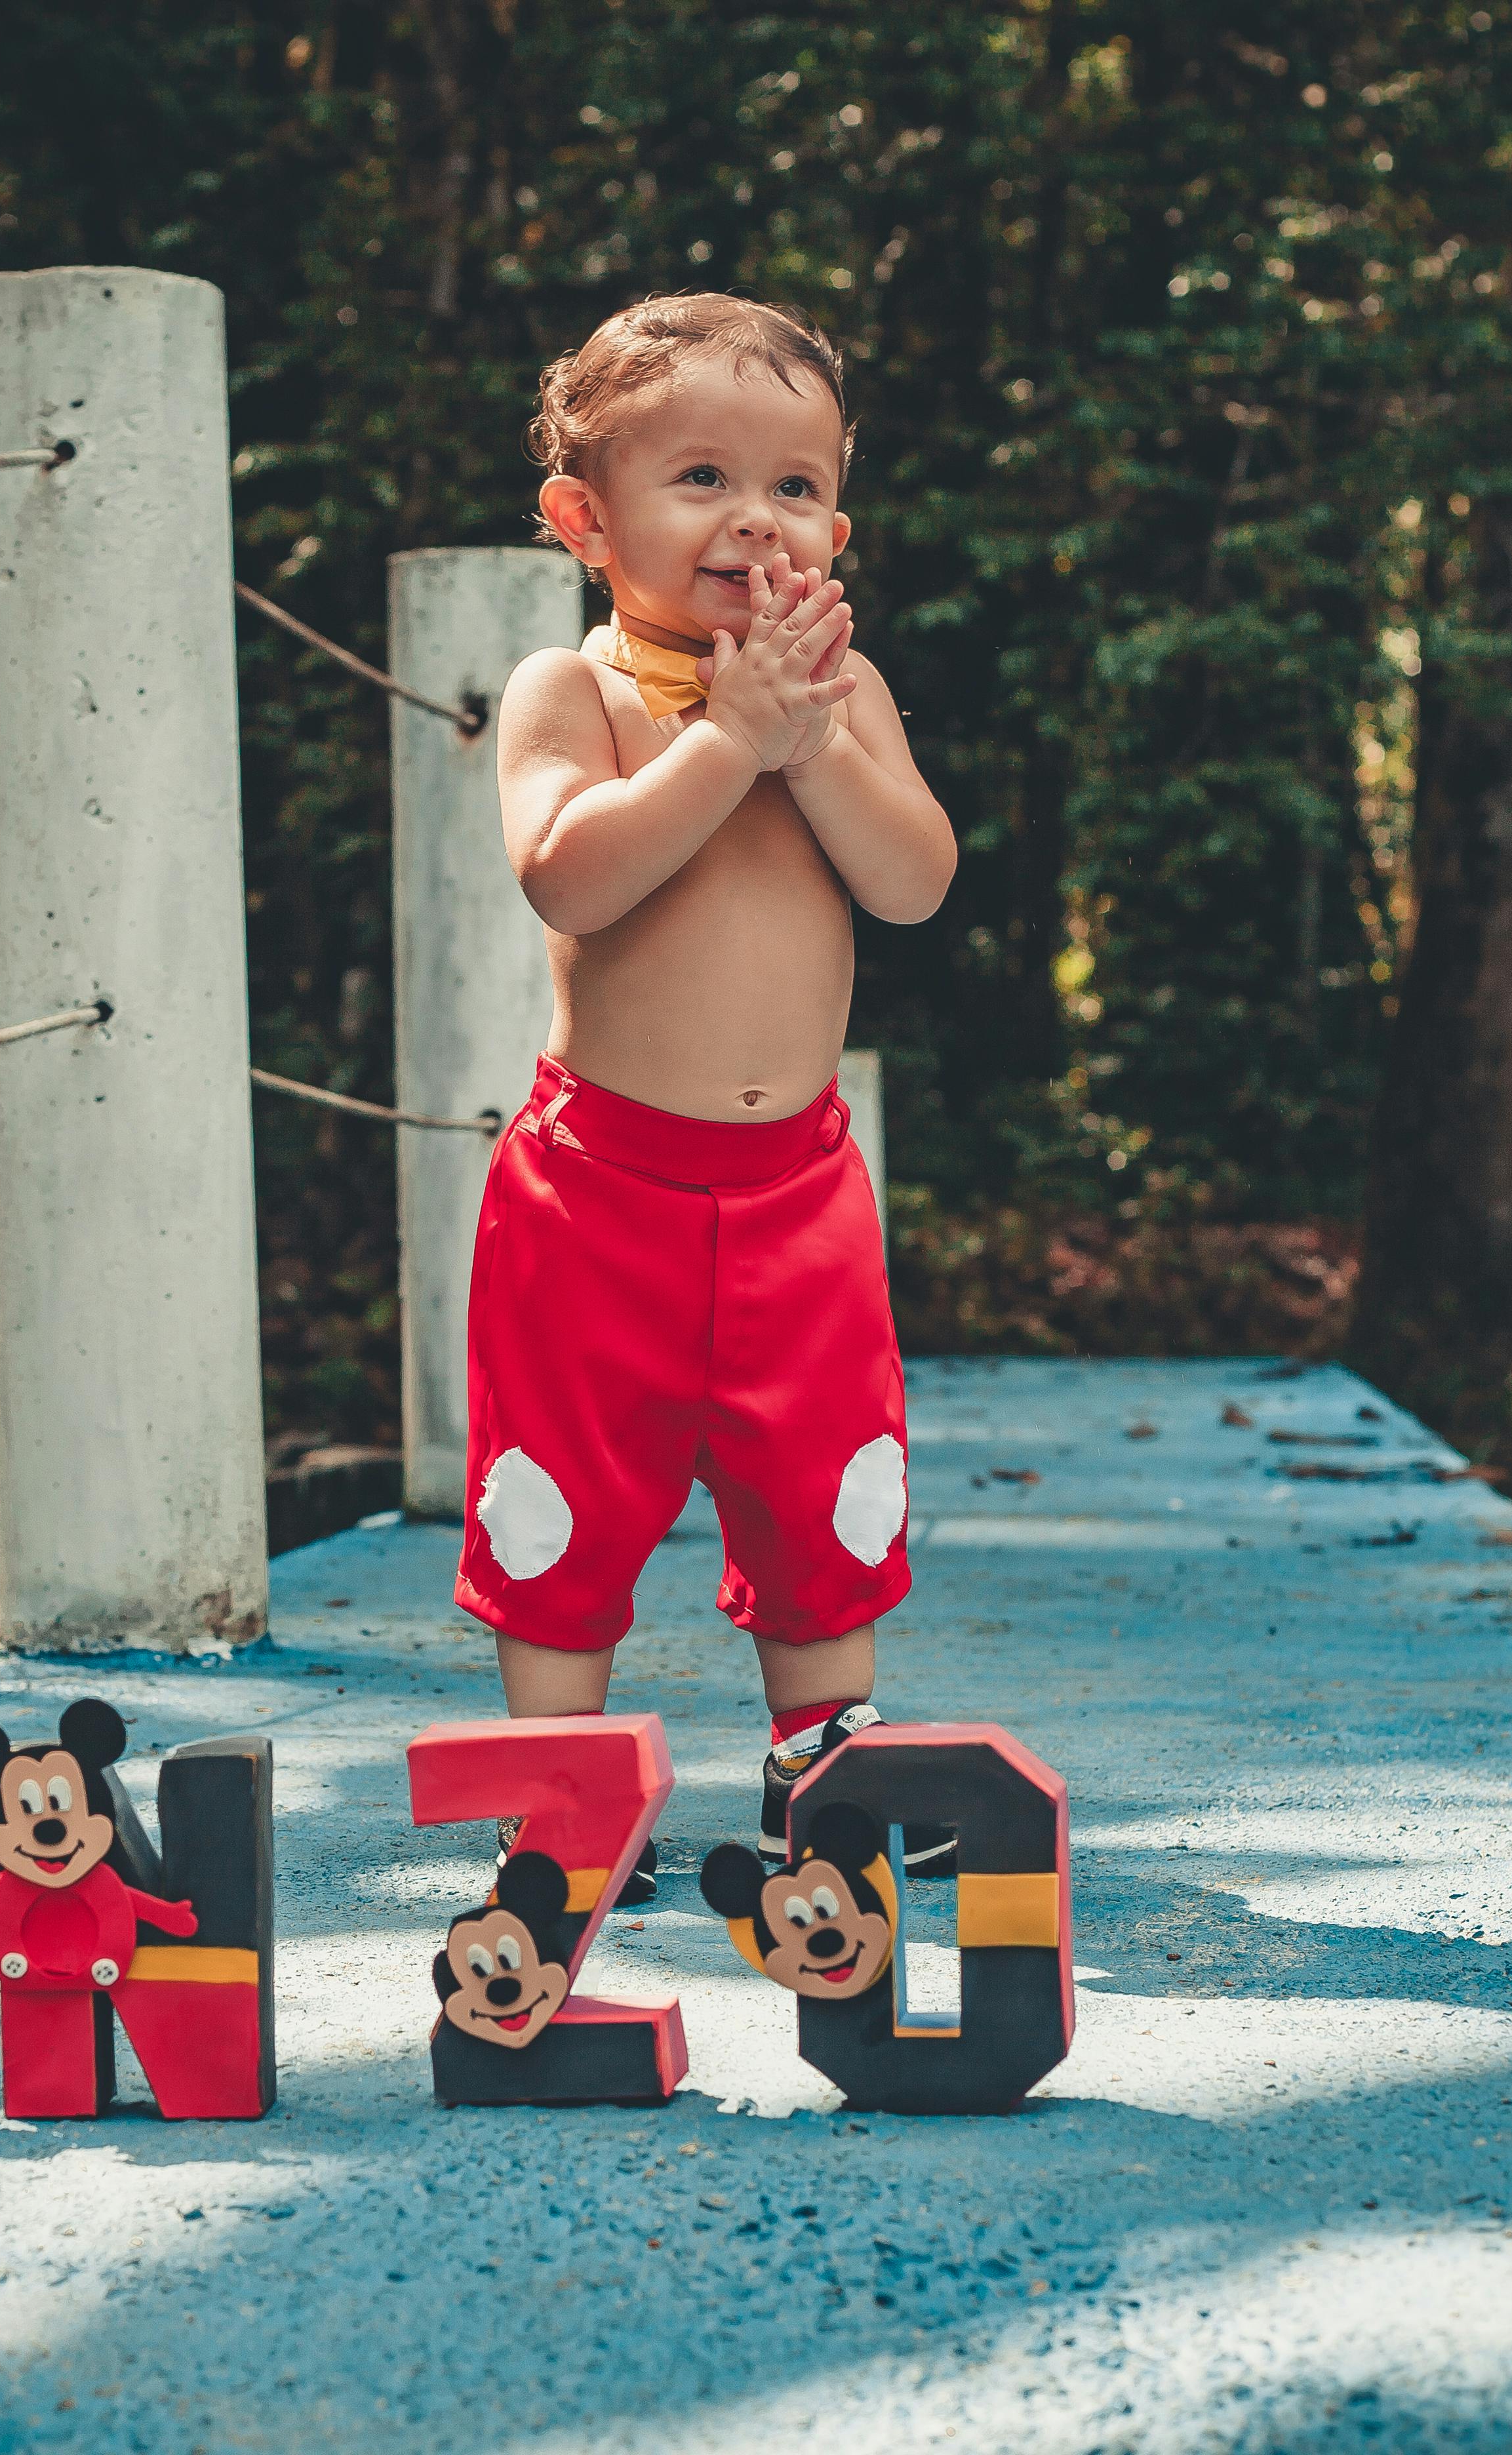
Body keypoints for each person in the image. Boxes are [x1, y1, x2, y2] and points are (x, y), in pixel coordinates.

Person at [467, 294, 957, 1898]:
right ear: (584, 520)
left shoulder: (847, 697)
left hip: (798, 1198)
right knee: (562, 1504)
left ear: (836, 523)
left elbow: (914, 887)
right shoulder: (580, 691)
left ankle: (824, 1786)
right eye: (700, 479)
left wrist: (804, 741)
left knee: (827, 1492)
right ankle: (561, 1814)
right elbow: (569, 876)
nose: (756, 518)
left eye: (795, 486)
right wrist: (723, 741)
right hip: (594, 1197)